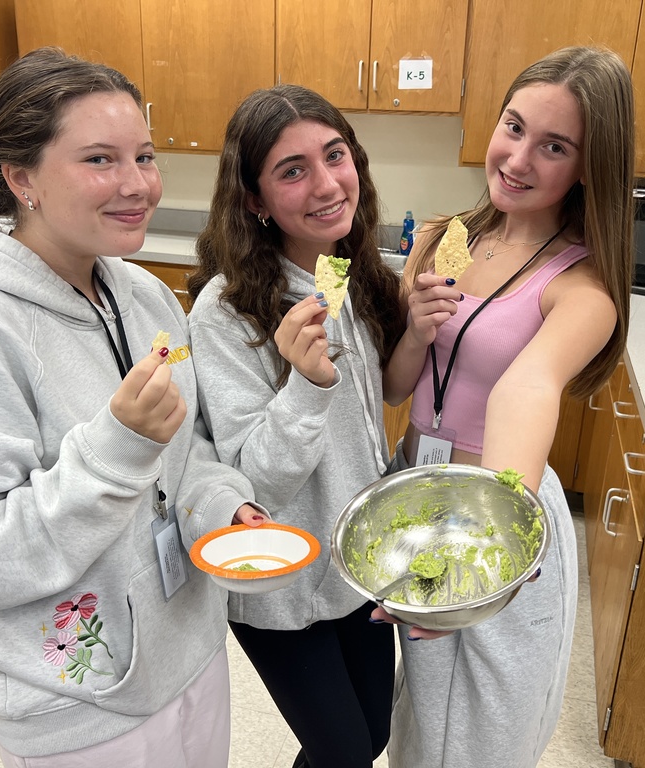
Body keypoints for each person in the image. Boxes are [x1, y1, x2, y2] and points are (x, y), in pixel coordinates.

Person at [0, 47, 265, 768]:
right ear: (20, 178)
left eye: (143, 156)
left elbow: (191, 451)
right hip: (77, 702)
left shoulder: (143, 295)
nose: (138, 184)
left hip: (188, 653)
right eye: (99, 160)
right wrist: (116, 451)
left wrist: (222, 505)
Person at [376, 46, 635, 767]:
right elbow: (398, 388)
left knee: (483, 737)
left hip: (497, 512)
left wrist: (486, 553)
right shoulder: (447, 239)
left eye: (554, 146)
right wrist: (415, 329)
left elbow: (528, 386)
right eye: (513, 127)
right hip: (412, 502)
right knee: (422, 717)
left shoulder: (581, 287)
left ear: (589, 166)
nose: (518, 159)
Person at [185, 84, 407, 768]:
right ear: (254, 200)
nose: (327, 183)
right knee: (343, 754)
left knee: (371, 736)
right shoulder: (224, 313)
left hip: (356, 562)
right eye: (292, 170)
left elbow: (368, 414)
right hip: (282, 583)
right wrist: (306, 388)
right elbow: (253, 483)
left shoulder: (343, 274)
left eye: (335, 155)